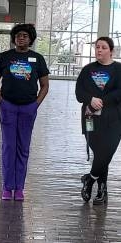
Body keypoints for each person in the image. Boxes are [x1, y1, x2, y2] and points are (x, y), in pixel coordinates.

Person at [0, 24, 49, 201]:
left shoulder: (37, 59)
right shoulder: (5, 57)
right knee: (8, 147)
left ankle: (20, 188)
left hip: (28, 108)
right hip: (8, 107)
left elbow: (45, 85)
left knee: (23, 148)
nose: (21, 38)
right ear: (14, 38)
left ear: (30, 39)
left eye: (24, 35)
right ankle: (7, 188)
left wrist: (36, 104)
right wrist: (1, 101)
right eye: (18, 35)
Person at [76, 36, 121, 205]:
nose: (99, 50)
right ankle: (102, 190)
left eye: (103, 47)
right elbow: (79, 93)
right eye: (97, 47)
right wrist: (90, 99)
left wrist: (102, 101)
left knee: (106, 152)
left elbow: (120, 92)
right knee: (100, 153)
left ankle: (90, 179)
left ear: (111, 51)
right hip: (90, 117)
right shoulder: (87, 70)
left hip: (114, 119)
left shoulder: (118, 69)